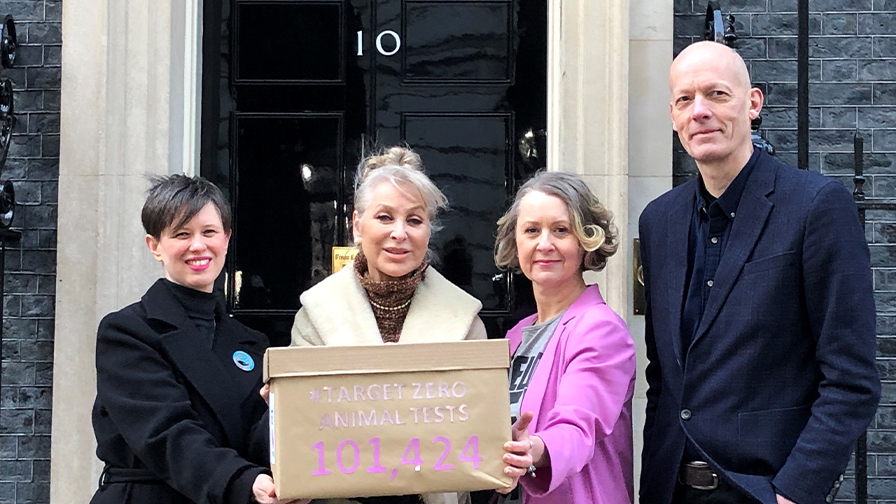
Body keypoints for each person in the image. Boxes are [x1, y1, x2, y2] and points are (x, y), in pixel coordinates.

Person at [638, 40, 881, 504]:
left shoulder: (815, 206)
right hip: (671, 490)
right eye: (685, 99)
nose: (700, 111)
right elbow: (664, 378)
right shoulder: (658, 221)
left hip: (765, 491)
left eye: (717, 94)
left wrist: (795, 491)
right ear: (672, 115)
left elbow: (851, 378)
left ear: (753, 103)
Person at [289, 146, 487, 504]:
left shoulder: (466, 319)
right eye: (384, 217)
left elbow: (475, 435)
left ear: (429, 231)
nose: (400, 233)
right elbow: (303, 432)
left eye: (414, 220)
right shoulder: (314, 314)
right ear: (356, 225)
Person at [90, 175, 301, 504]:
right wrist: (240, 481)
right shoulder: (127, 332)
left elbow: (256, 440)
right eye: (181, 234)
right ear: (155, 245)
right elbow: (165, 434)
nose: (198, 245)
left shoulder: (250, 343)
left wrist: (283, 411)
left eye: (209, 232)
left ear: (227, 239)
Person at [493, 171, 636, 504]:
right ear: (516, 243)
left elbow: (577, 426)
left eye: (561, 230)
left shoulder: (601, 330)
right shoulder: (516, 337)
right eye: (531, 230)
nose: (545, 243)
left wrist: (536, 449)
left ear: (587, 242)